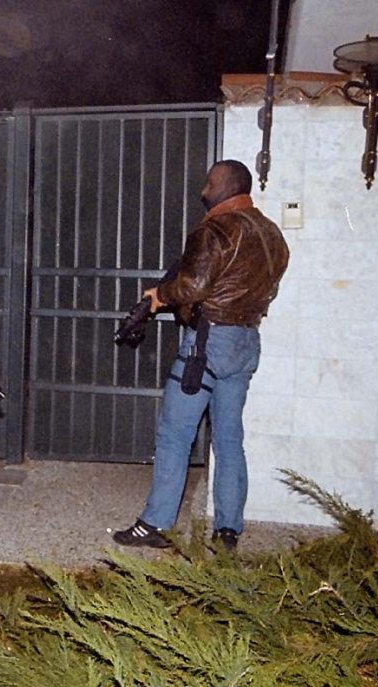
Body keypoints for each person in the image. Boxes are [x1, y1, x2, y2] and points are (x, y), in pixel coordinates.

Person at [112, 160, 290, 552]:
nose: (203, 190)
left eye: (209, 183)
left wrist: (159, 296)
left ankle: (156, 523)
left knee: (175, 434)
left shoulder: (215, 230)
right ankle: (228, 531)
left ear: (225, 186)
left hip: (208, 344)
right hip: (246, 341)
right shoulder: (272, 234)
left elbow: (193, 286)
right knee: (229, 439)